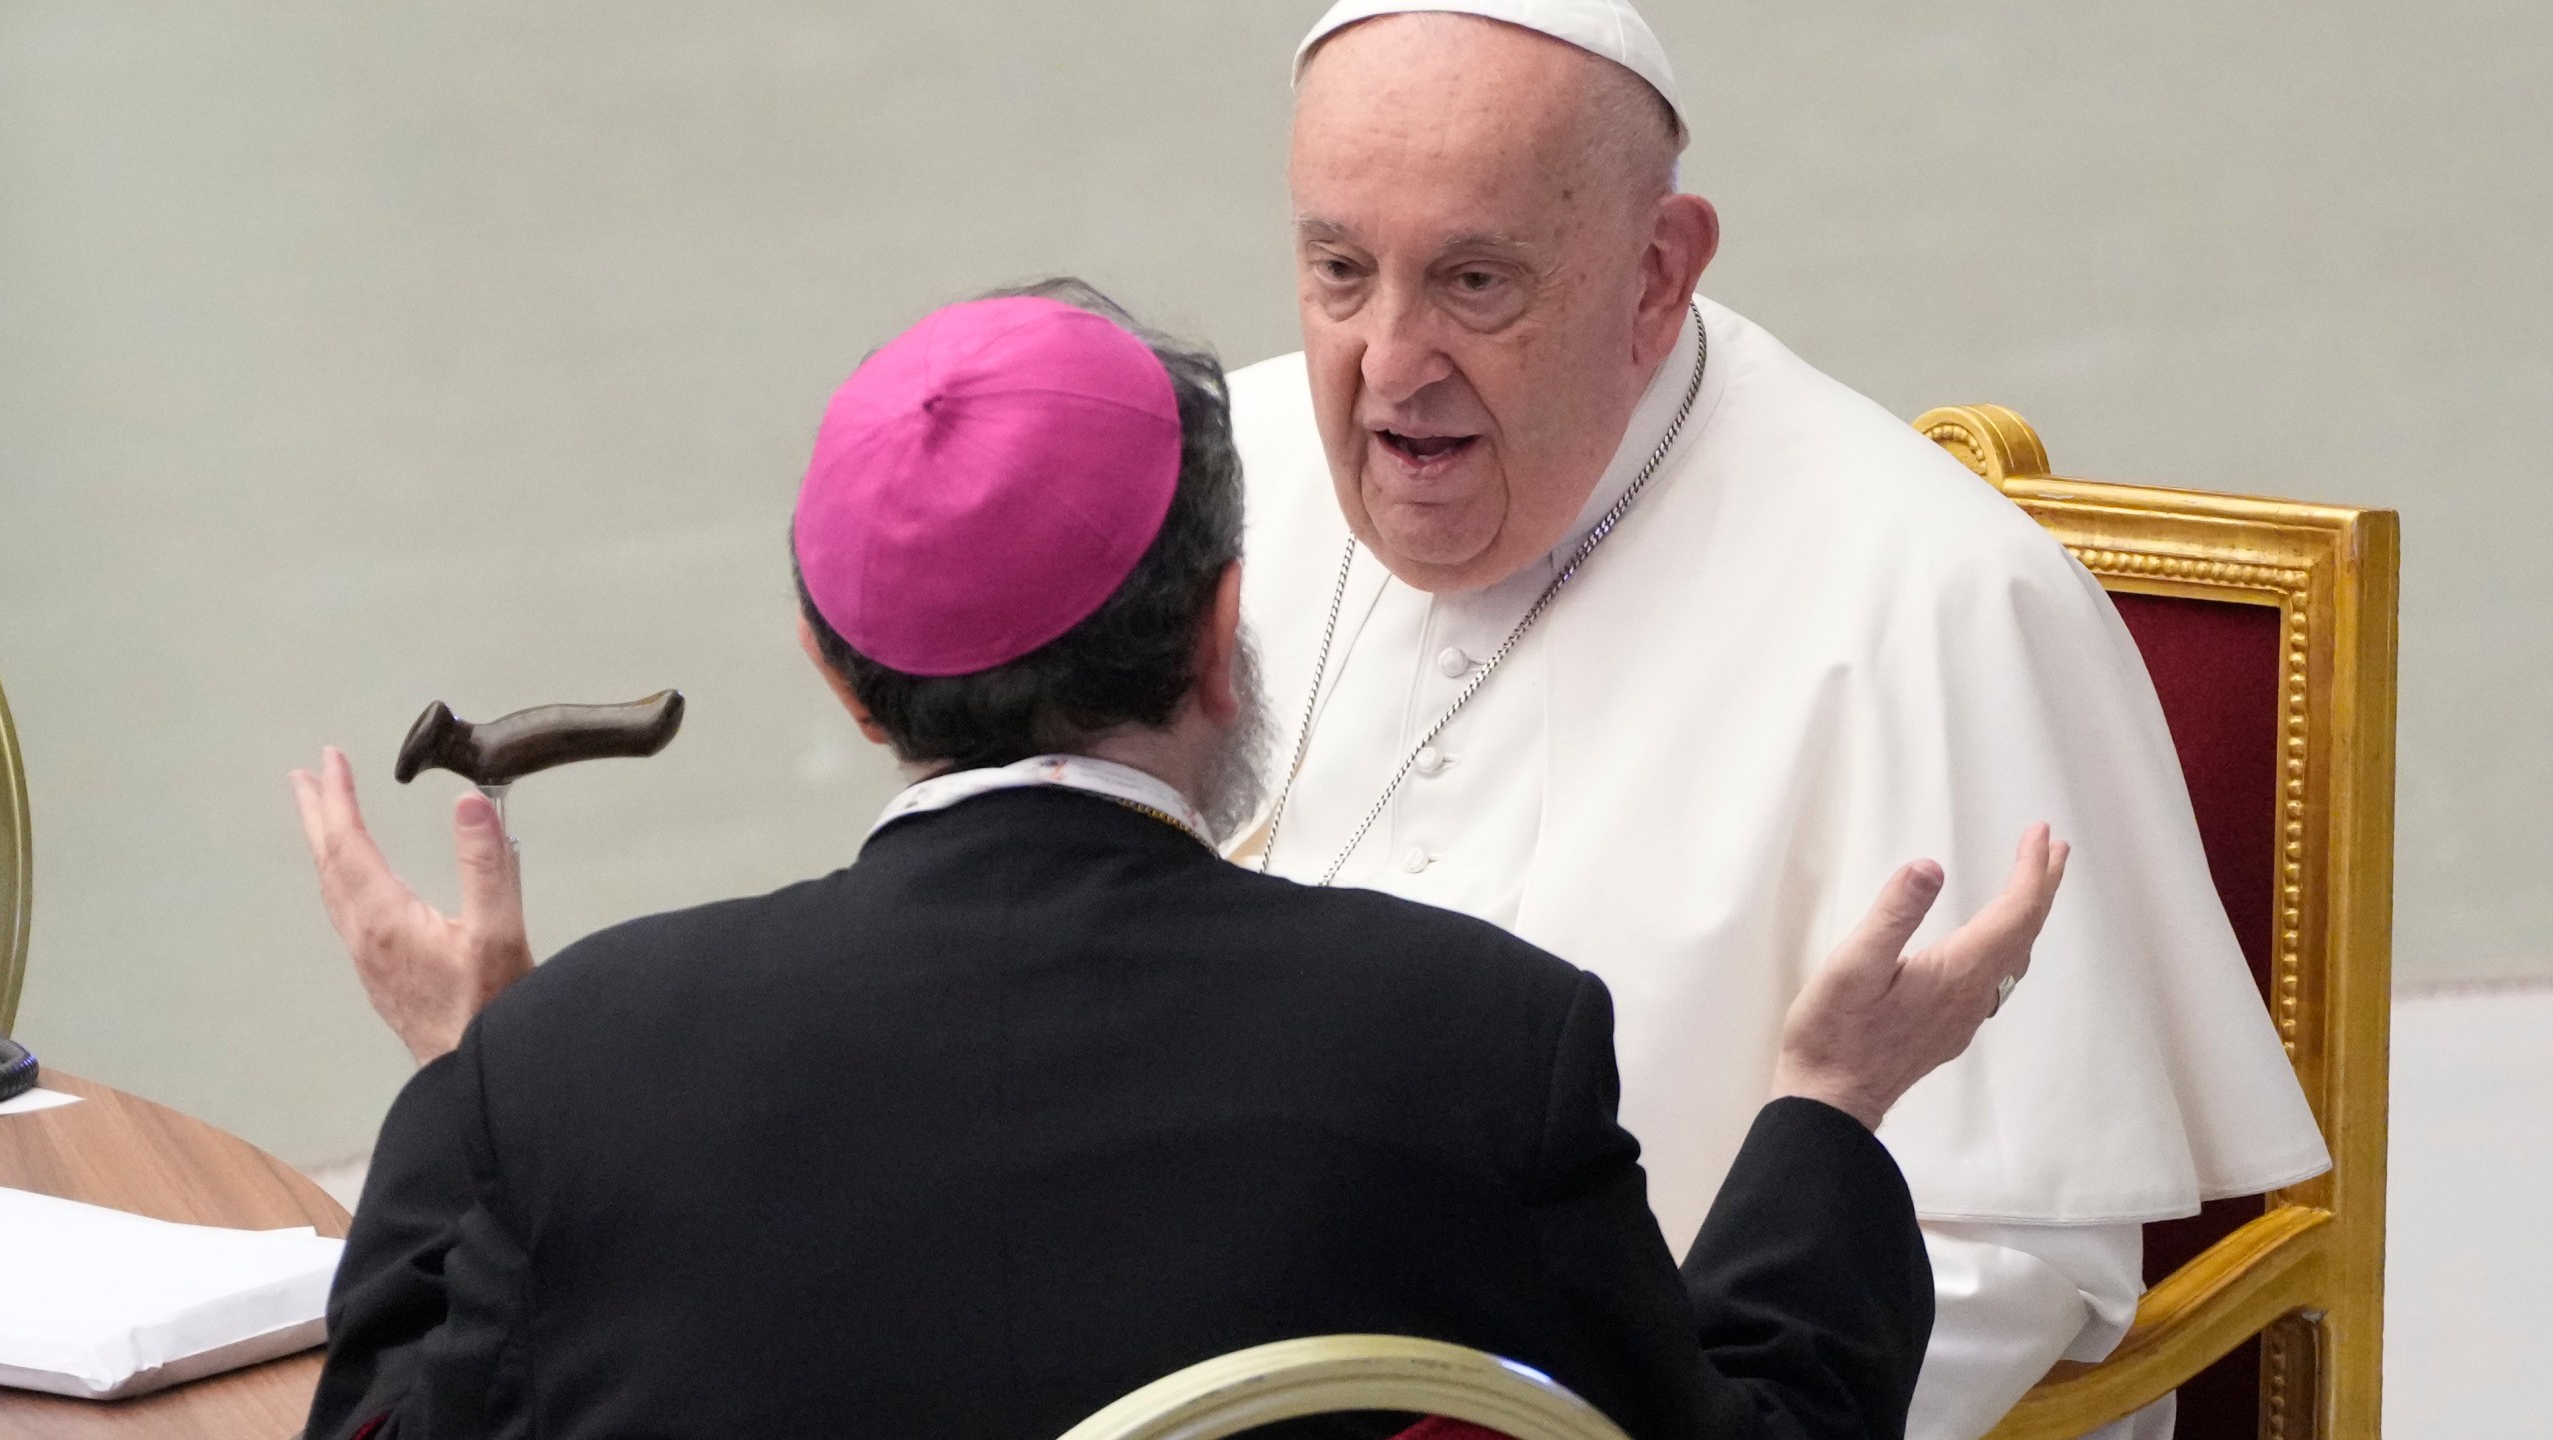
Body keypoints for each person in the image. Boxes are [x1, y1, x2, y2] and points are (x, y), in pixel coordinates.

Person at [292, 286, 2067, 1440]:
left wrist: (467, 1091)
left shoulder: (582, 1067)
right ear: (1225, 632)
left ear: (842, 680)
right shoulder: (1469, 1041)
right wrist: (1829, 1113)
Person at [1228, 5, 2329, 1438]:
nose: (1389, 367)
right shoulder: (1220, 479)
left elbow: (2001, 1262)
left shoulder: (1934, 599)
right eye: (1338, 272)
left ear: (1657, 274)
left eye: (1475, 281)